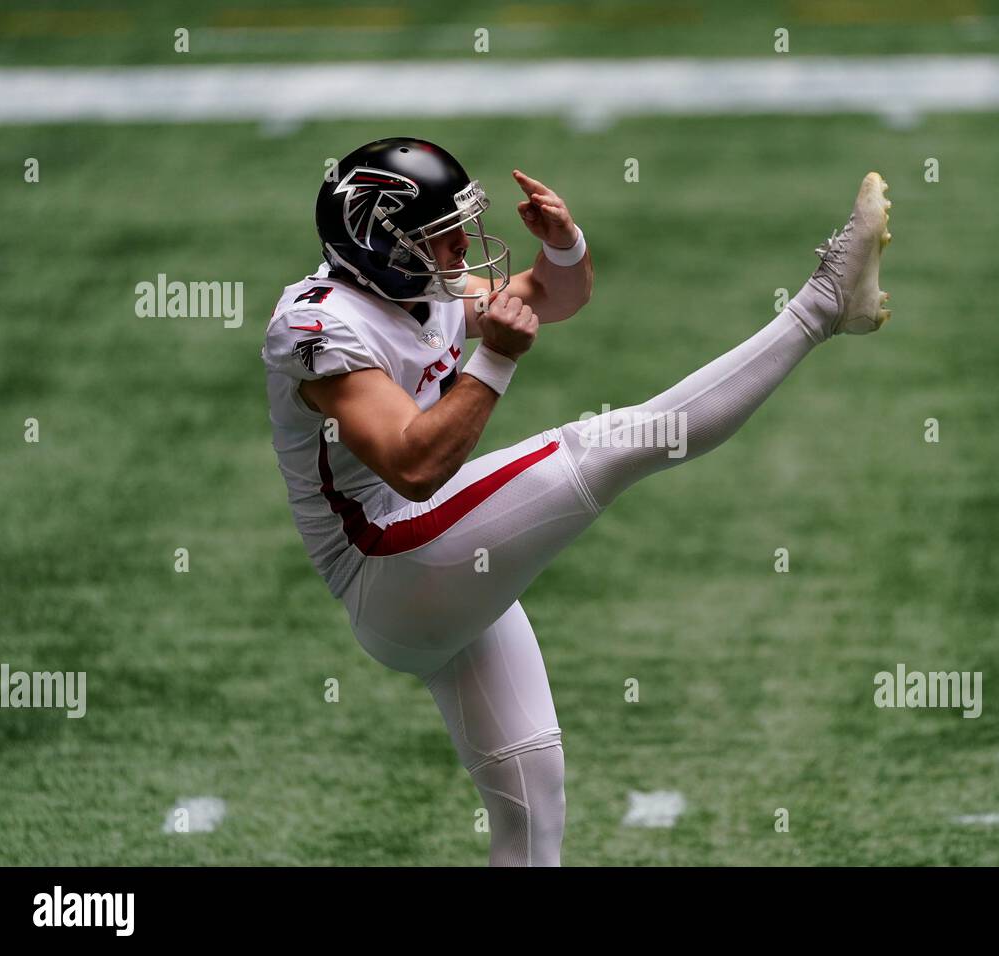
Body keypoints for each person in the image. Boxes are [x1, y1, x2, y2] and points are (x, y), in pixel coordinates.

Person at [262, 137, 894, 865]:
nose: (463, 247)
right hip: (385, 563)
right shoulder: (319, 325)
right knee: (609, 443)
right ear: (381, 246)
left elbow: (548, 298)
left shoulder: (407, 286)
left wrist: (564, 248)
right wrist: (493, 359)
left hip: (426, 572)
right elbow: (414, 466)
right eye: (441, 237)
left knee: (532, 804)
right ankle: (821, 306)